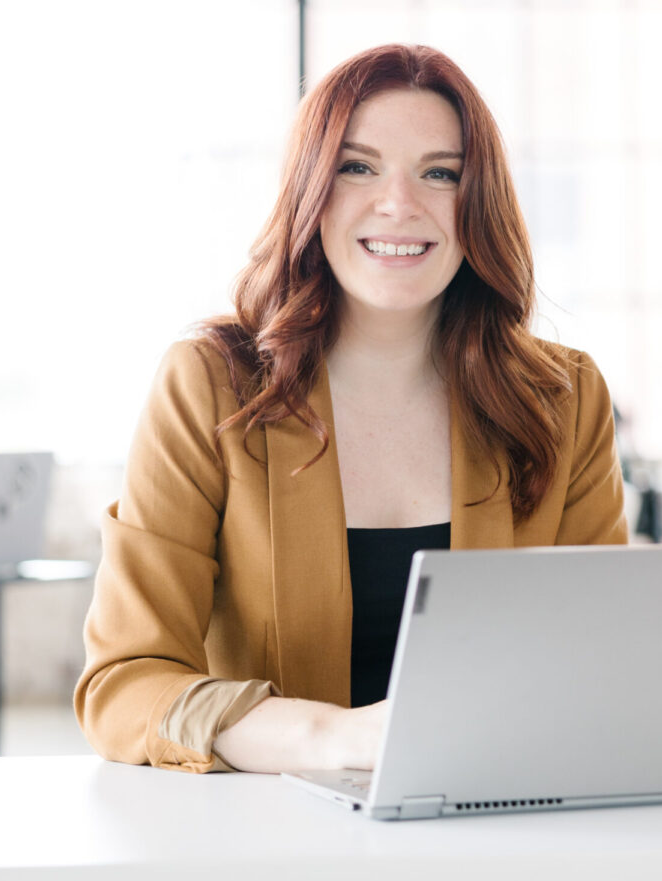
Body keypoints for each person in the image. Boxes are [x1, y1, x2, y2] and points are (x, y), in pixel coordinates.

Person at [74, 44, 628, 775]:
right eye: (358, 166)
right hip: (268, 834)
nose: (400, 203)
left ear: (477, 202)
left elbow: (604, 661)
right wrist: (327, 737)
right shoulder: (209, 386)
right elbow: (125, 683)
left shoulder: (562, 397)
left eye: (440, 173)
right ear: (312, 188)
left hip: (498, 822)